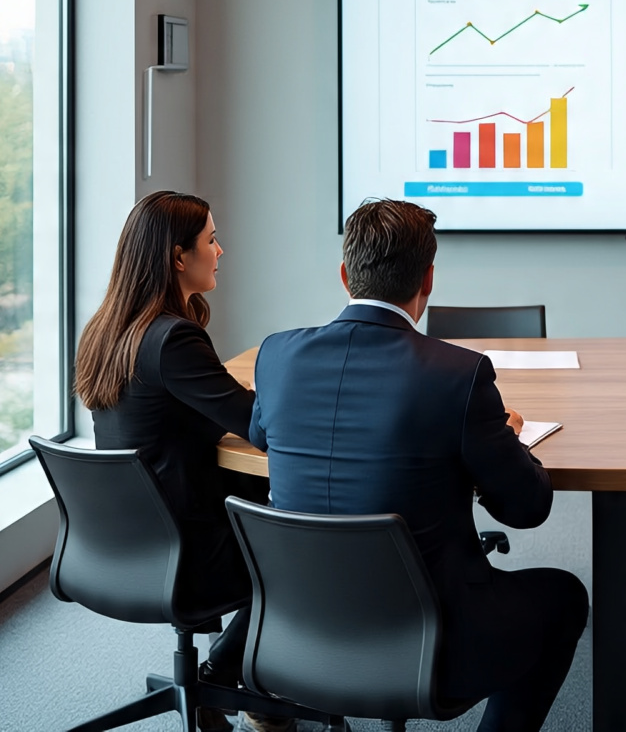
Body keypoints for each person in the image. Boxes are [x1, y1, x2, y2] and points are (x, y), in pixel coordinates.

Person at [248, 198, 588, 732]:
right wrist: (501, 437)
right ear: (428, 279)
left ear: (345, 275)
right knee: (564, 597)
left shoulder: (276, 355)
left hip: (297, 630)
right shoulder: (459, 375)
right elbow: (528, 507)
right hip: (431, 642)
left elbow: (260, 435)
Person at [75, 192, 276, 732]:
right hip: (184, 550)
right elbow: (257, 425)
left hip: (122, 542)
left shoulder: (106, 329)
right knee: (300, 550)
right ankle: (225, 676)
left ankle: (238, 685)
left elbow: (186, 413)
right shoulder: (173, 338)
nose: (221, 250)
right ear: (178, 257)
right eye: (212, 239)